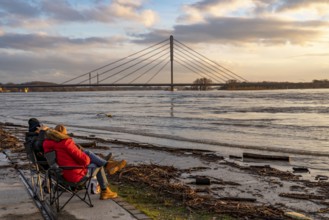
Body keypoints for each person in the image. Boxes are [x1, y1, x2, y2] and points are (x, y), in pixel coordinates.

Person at [43, 124, 126, 200]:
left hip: (60, 175)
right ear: (63, 134)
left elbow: (65, 158)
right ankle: (105, 189)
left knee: (87, 153)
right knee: (97, 165)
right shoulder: (66, 143)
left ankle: (108, 165)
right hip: (74, 176)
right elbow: (85, 161)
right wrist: (80, 153)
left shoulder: (48, 144)